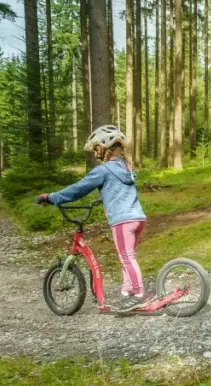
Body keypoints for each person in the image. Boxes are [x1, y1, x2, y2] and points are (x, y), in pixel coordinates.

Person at [36, 125, 150, 310]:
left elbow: (77, 189)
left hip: (123, 220)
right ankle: (127, 290)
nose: (96, 153)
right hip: (137, 218)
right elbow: (118, 190)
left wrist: (51, 198)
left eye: (97, 148)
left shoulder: (104, 170)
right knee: (128, 255)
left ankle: (138, 294)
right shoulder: (125, 167)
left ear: (106, 148)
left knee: (127, 257)